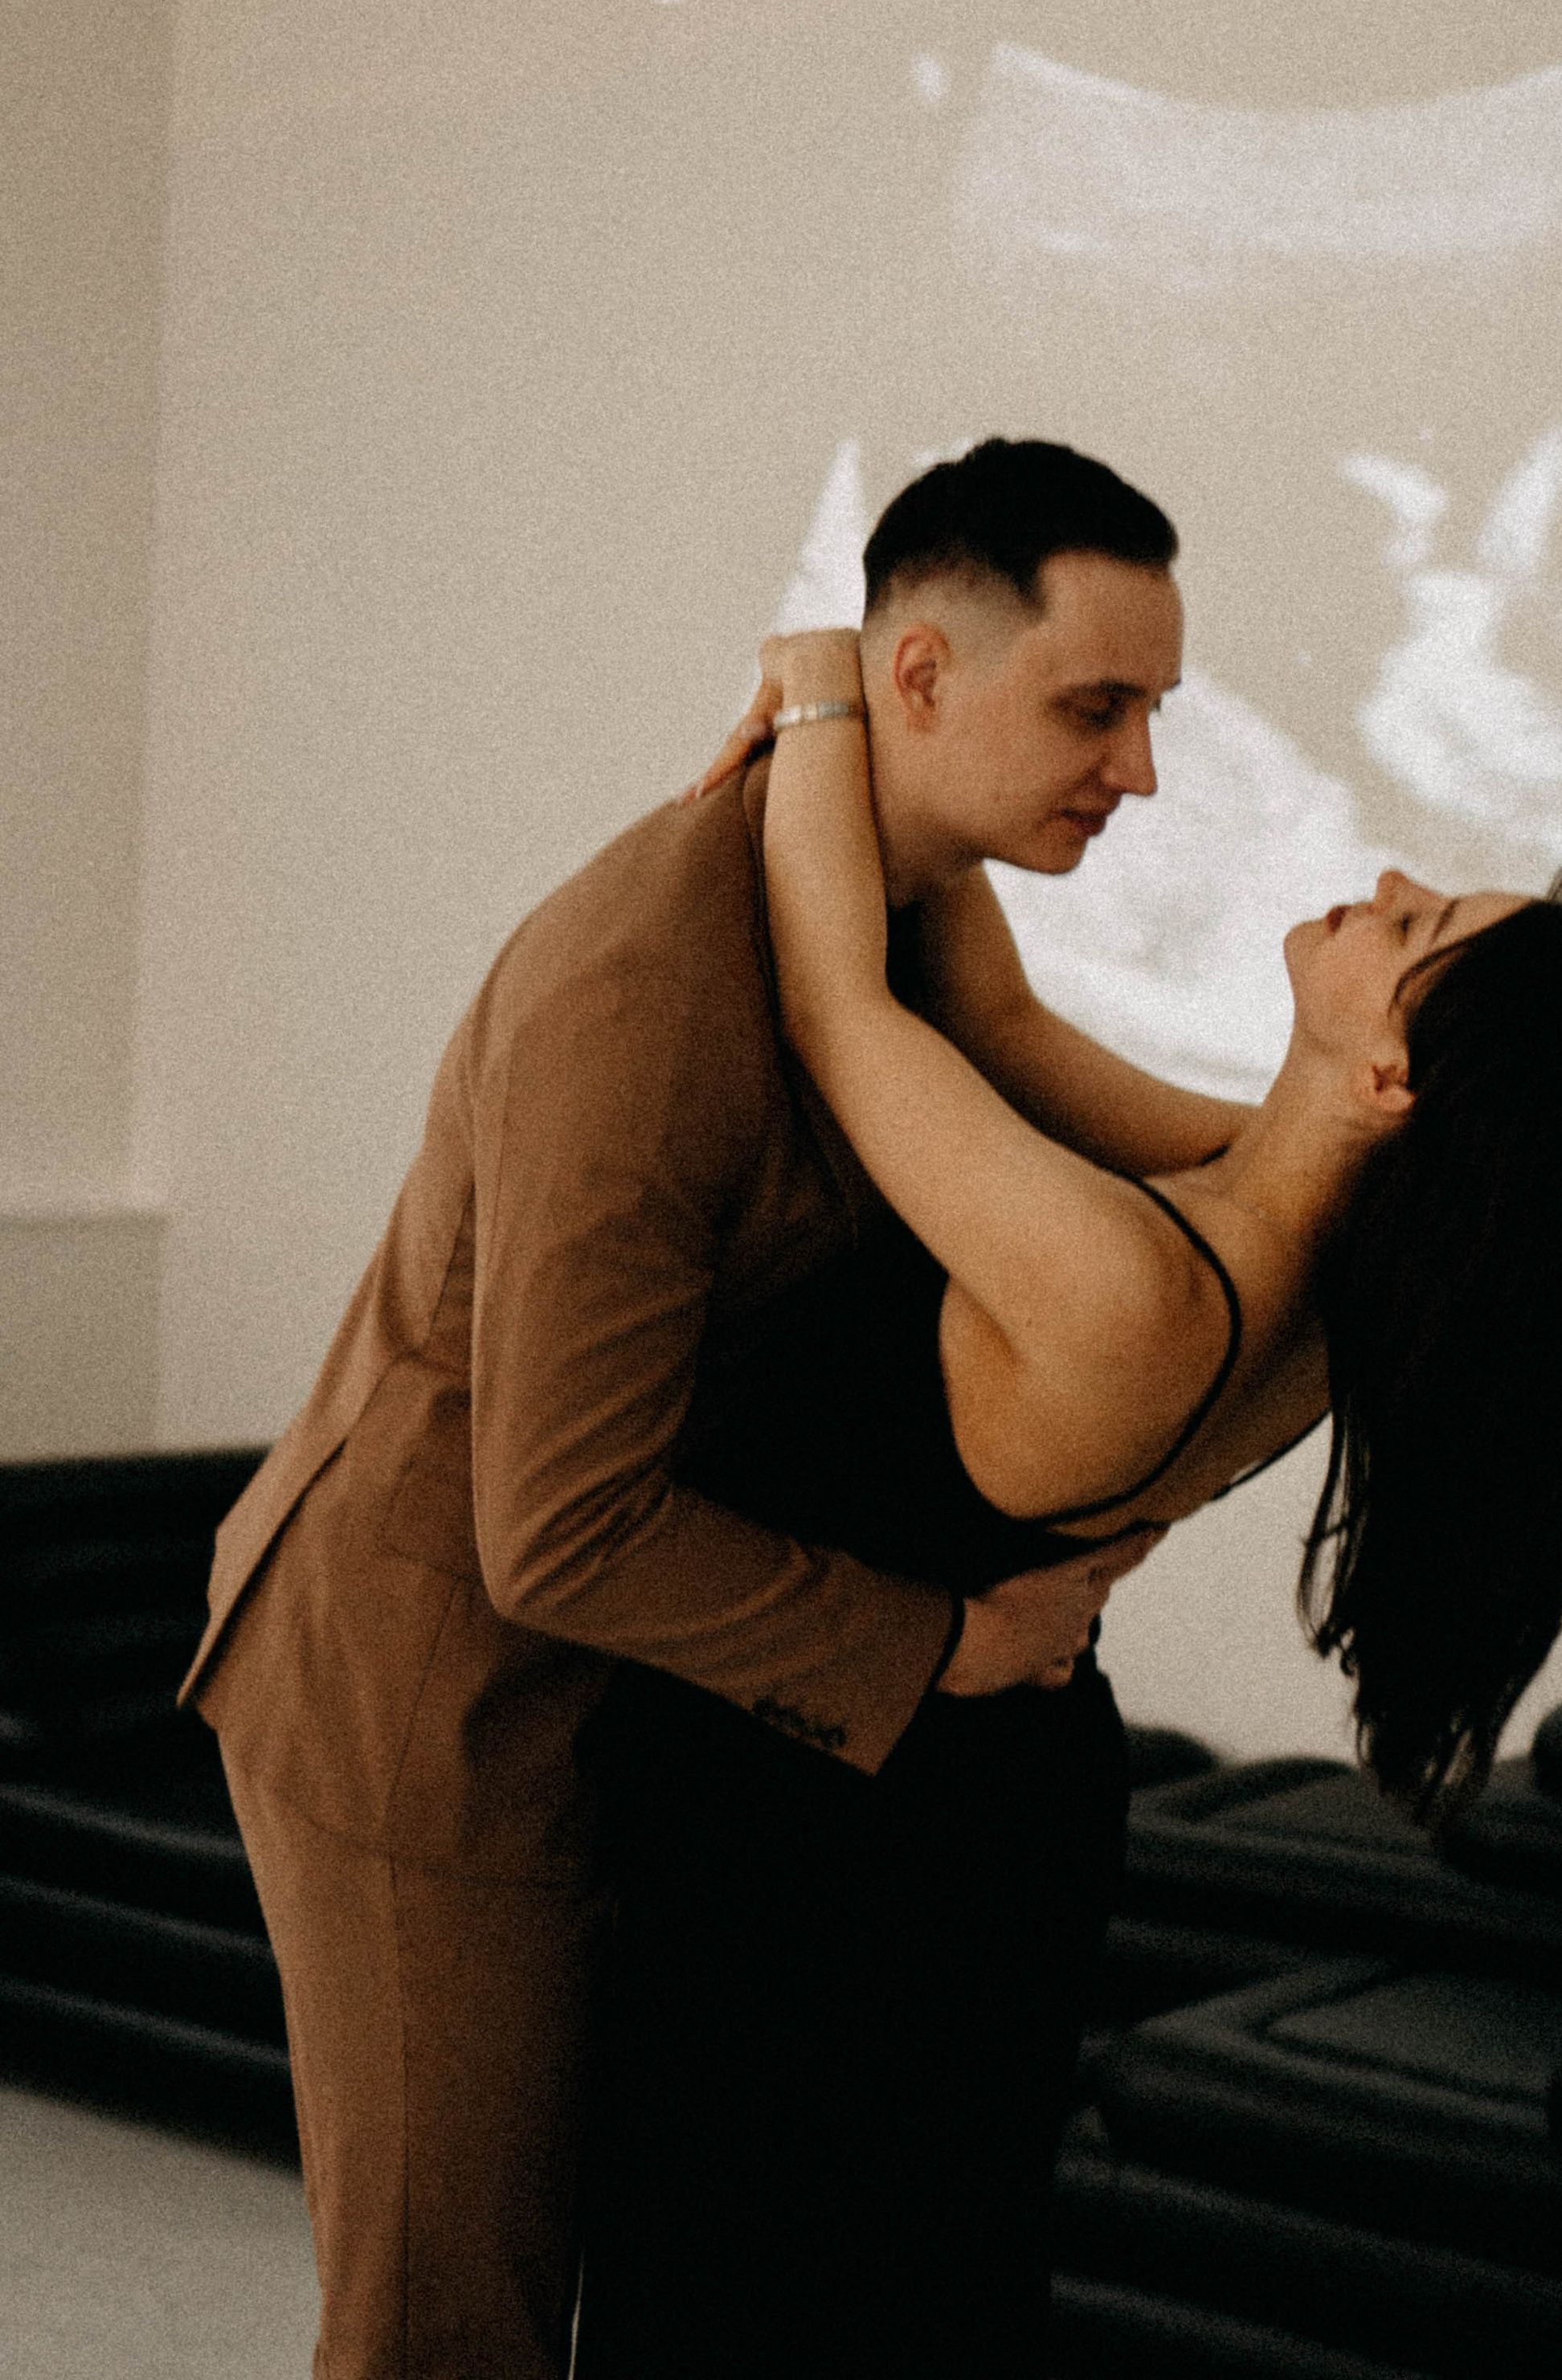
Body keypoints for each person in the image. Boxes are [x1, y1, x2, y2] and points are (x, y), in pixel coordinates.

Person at [180, 441, 1253, 2380]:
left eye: (1152, 713)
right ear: (918, 677)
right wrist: (942, 1645)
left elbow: (1072, 1093)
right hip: (430, 1695)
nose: (1140, 771)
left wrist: (1349, 1156)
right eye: (1095, 708)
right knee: (451, 2327)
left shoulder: (913, 905)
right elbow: (557, 1529)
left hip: (638, 1690)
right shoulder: (647, 986)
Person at [570, 615, 1562, 2376]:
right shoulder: (1295, 1253)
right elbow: (994, 1017)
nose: (1385, 884)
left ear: (1392, 1082)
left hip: (838, 1852)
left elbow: (839, 1011)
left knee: (758, 2317)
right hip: (959, 1807)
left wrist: (819, 682)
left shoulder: (1136, 1292)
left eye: (1416, 928)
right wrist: (937, 747)